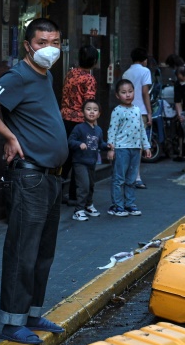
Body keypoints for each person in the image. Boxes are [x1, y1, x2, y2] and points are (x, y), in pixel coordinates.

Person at [0, 18, 68, 345]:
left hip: (51, 177)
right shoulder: (18, 75)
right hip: (30, 175)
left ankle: (31, 314)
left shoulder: (46, 75)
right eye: (42, 42)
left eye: (55, 41)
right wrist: (10, 137)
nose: (49, 48)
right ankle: (12, 323)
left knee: (43, 251)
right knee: (23, 250)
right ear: (28, 45)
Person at [106, 79, 151, 217]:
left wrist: (146, 146)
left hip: (135, 149)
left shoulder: (137, 110)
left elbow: (142, 130)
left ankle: (130, 204)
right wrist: (111, 148)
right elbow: (111, 130)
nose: (127, 95)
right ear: (117, 95)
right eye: (124, 92)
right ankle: (117, 206)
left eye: (130, 91)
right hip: (121, 149)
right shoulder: (117, 111)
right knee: (119, 179)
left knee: (131, 179)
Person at [60, 44, 98, 204]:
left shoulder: (70, 73)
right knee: (80, 158)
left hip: (64, 119)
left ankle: (58, 191)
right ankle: (75, 194)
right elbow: (89, 104)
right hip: (80, 122)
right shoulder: (88, 78)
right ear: (94, 61)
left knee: (66, 157)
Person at [68, 99, 111, 221]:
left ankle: (88, 205)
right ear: (83, 112)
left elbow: (100, 143)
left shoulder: (98, 130)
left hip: (92, 162)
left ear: (99, 114)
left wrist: (106, 146)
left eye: (95, 110)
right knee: (83, 186)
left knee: (91, 185)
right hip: (80, 162)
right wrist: (79, 144)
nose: (92, 112)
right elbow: (70, 141)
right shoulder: (79, 128)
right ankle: (78, 210)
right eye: (88, 109)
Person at [122, 47, 153, 189]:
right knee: (138, 145)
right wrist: (150, 112)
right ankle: (136, 176)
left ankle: (128, 174)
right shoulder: (145, 71)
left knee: (128, 143)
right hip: (140, 111)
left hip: (126, 110)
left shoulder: (126, 73)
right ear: (144, 59)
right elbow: (145, 92)